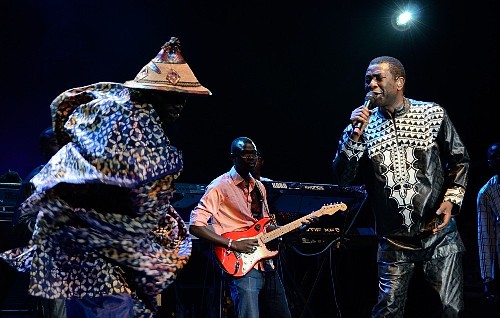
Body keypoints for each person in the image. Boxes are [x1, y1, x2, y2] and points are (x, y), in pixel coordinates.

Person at [0, 36, 210, 318]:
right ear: (153, 94)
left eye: (184, 98)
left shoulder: (136, 119)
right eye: (175, 97)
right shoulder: (128, 122)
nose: (181, 105)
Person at [332, 56, 470, 317]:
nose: (371, 84)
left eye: (378, 78)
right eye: (367, 79)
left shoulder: (431, 113)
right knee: (388, 309)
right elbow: (343, 177)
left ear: (399, 82)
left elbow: (460, 159)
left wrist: (451, 200)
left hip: (438, 233)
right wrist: (354, 136)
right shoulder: (360, 127)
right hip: (393, 239)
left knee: (450, 309)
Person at [189, 137, 293, 318]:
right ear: (233, 157)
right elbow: (196, 226)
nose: (251, 157)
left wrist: (293, 227)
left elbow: (264, 226)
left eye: (254, 153)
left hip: (265, 262)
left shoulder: (259, 187)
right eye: (246, 153)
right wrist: (232, 244)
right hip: (240, 263)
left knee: (283, 313)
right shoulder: (219, 186)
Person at [477, 142, 500, 305]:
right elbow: (485, 236)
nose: (495, 161)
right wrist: (487, 277)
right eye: (492, 158)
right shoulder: (486, 193)